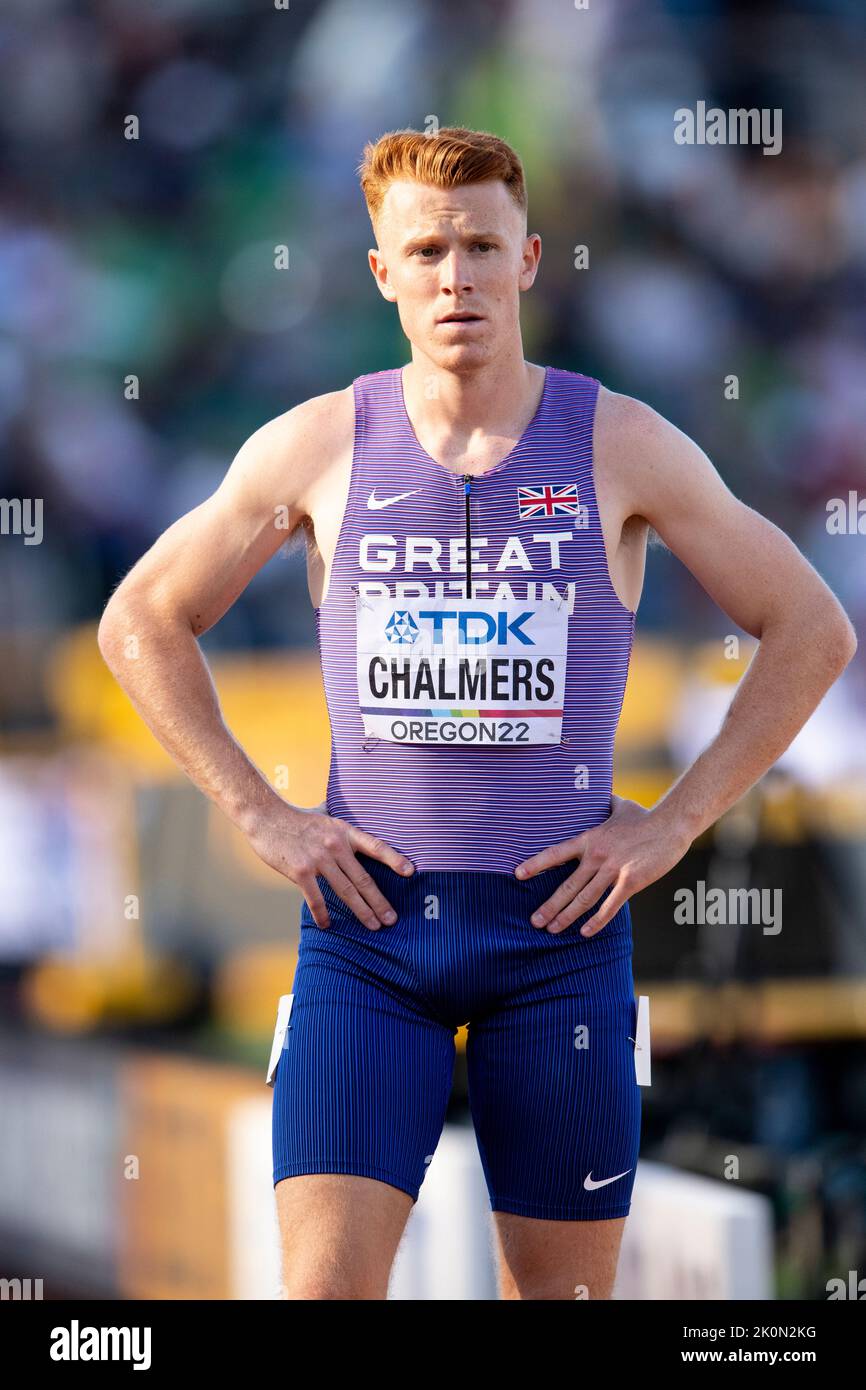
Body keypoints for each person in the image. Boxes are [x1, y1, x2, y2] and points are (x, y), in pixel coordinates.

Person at [97, 126, 857, 1300]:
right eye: (428, 250)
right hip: (367, 933)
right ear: (382, 274)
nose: (455, 276)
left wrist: (671, 824)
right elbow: (140, 617)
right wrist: (257, 810)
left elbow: (810, 629)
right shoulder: (316, 445)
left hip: (556, 942)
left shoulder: (619, 443)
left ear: (528, 260)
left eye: (480, 247)